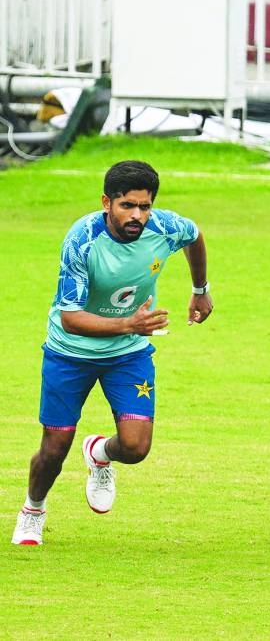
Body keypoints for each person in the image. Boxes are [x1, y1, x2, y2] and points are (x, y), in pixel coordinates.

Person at [11, 160, 213, 546]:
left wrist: (200, 290)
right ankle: (33, 509)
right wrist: (129, 325)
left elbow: (195, 235)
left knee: (136, 448)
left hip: (127, 353)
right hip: (70, 352)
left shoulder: (165, 227)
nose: (137, 215)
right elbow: (70, 317)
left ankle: (100, 453)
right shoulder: (82, 239)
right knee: (53, 450)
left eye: (145, 206)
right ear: (107, 202)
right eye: (127, 206)